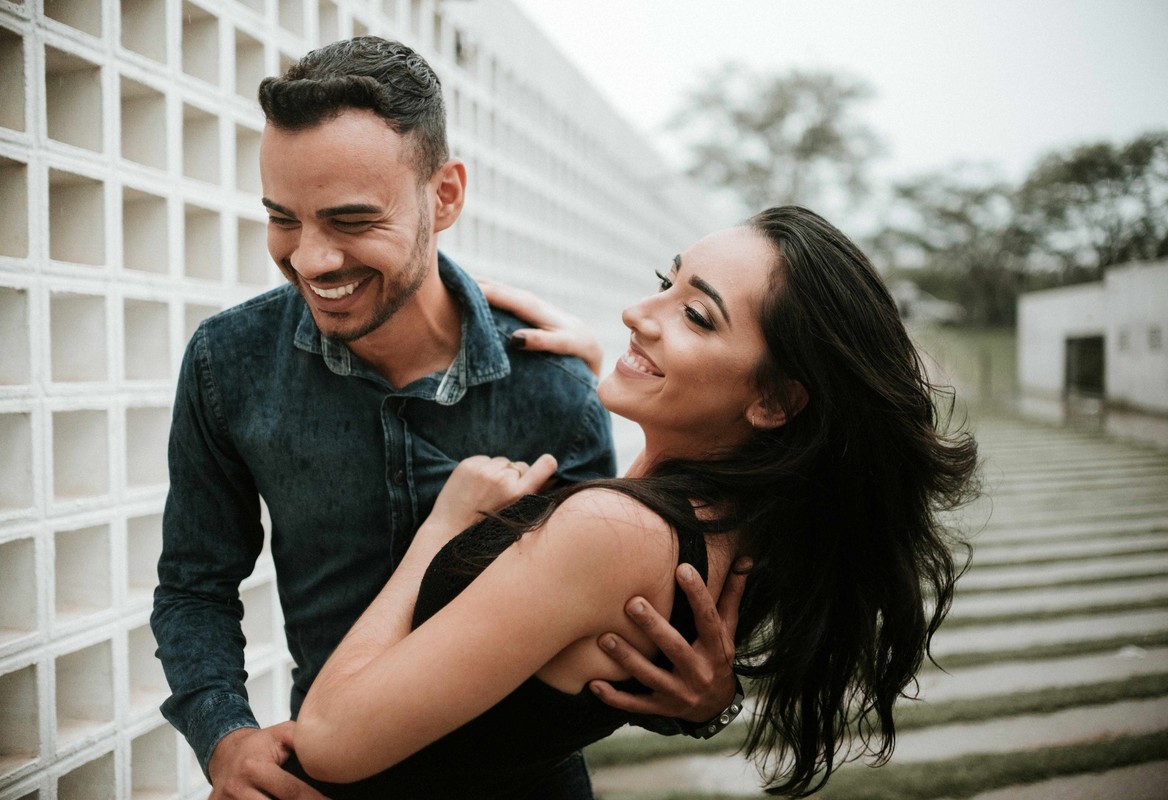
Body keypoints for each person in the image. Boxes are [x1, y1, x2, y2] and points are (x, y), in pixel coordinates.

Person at [151, 36, 741, 800]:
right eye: (283, 219)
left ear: (447, 195)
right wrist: (223, 734)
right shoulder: (225, 362)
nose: (311, 260)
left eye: (352, 221)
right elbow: (194, 586)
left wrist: (693, 704)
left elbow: (608, 637)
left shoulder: (555, 384)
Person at [287, 205, 980, 798]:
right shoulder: (720, 526)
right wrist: (598, 368)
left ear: (774, 400)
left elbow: (326, 742)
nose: (636, 314)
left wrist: (443, 527)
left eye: (696, 315)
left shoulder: (613, 533)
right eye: (663, 283)